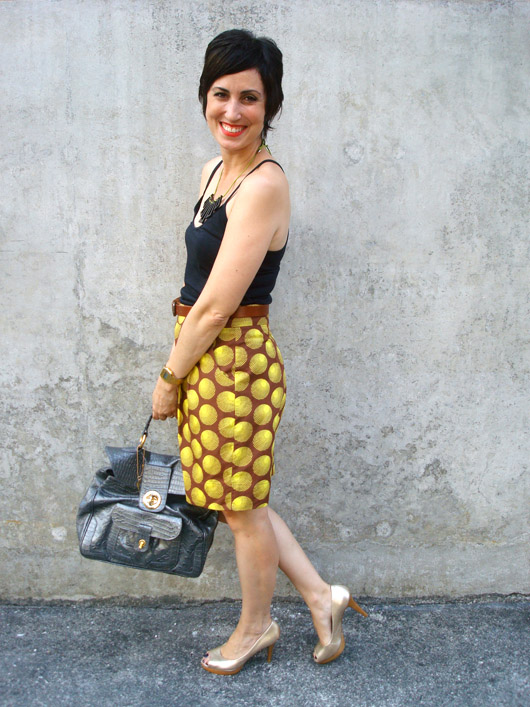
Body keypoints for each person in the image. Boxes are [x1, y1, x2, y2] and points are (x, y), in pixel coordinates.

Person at [151, 29, 367, 675]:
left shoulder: (262, 186)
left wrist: (168, 377)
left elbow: (217, 305)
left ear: (269, 106)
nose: (233, 110)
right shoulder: (214, 172)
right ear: (204, 96)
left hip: (235, 362)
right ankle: (321, 597)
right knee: (239, 499)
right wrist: (183, 362)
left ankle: (255, 627)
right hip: (205, 353)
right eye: (221, 94)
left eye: (250, 98)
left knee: (240, 509)